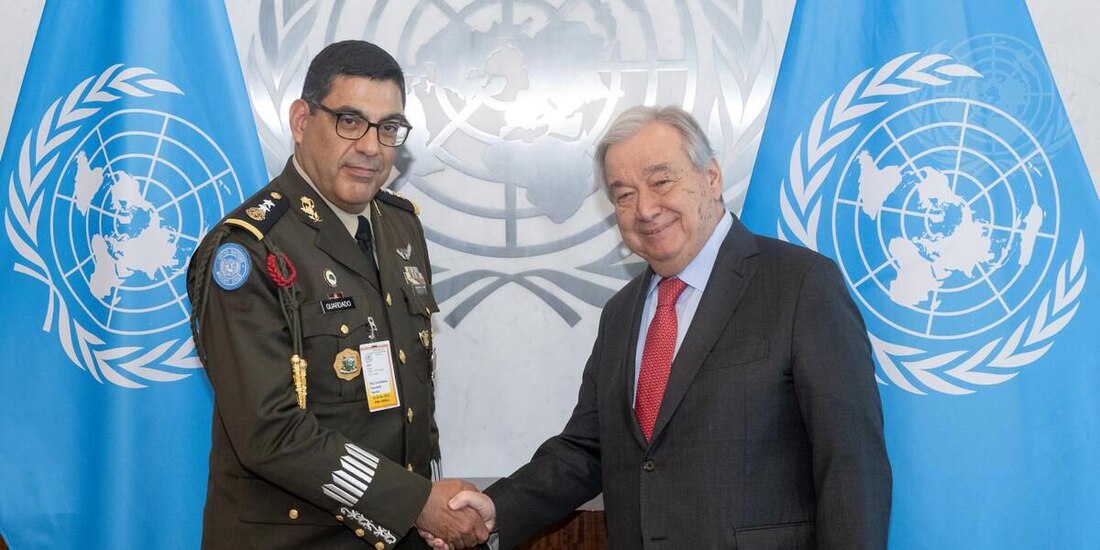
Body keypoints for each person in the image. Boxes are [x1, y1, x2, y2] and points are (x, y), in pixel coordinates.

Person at [435, 105, 892, 549]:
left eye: (661, 181)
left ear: (710, 178)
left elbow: (851, 465)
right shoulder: (621, 313)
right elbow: (587, 450)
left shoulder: (800, 285)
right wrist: (496, 507)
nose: (646, 209)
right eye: (624, 194)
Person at [187, 40, 489, 550]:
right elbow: (271, 434)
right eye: (350, 120)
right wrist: (416, 503)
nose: (372, 147)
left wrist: (418, 510)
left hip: (398, 533)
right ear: (302, 120)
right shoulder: (247, 251)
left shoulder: (399, 227)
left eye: (389, 128)